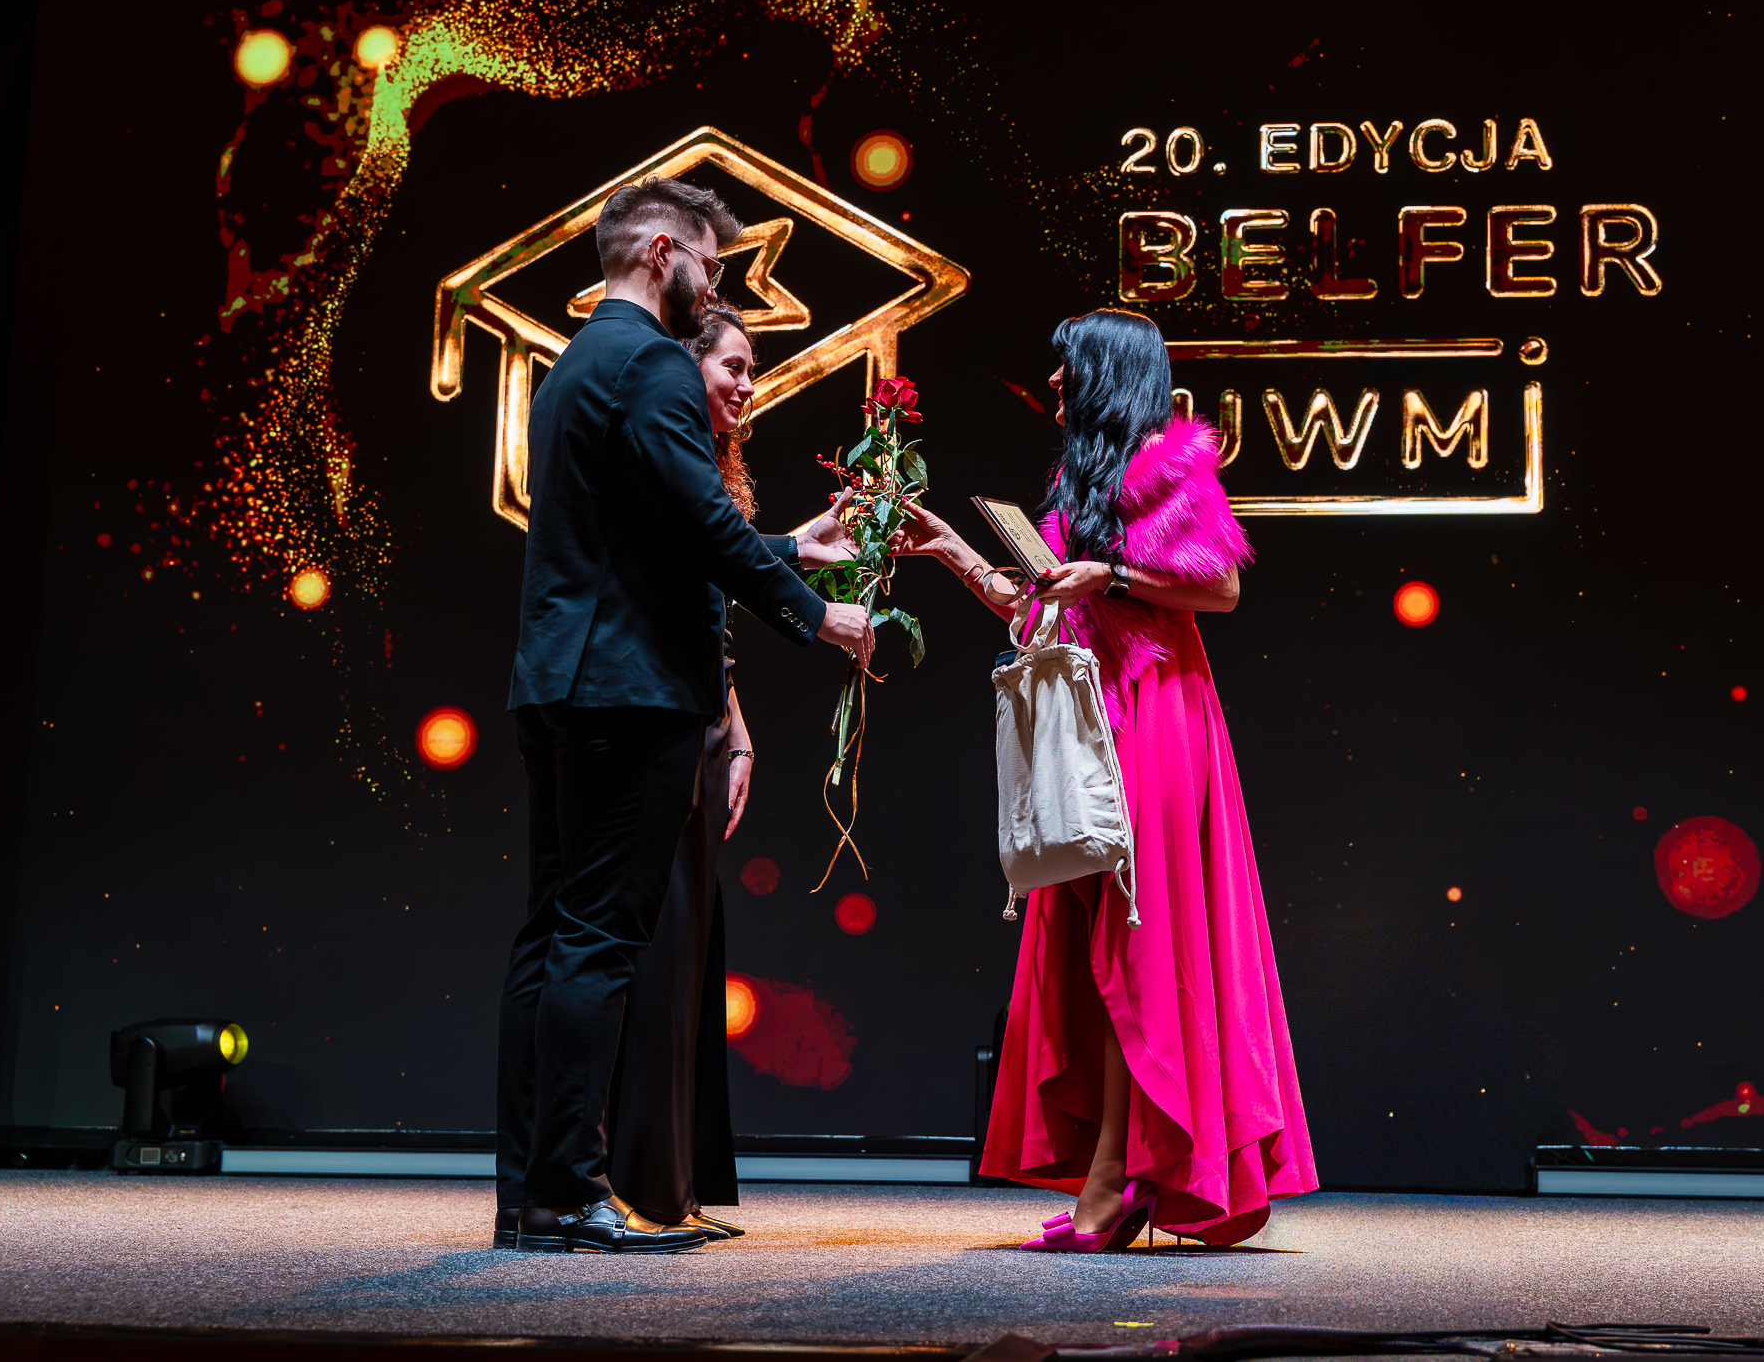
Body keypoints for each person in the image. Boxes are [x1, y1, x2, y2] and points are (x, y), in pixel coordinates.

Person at [496, 177, 875, 1255]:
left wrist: (791, 548)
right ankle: (571, 1193)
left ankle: (531, 1194)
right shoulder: (654, 362)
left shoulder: (574, 366)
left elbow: (651, 530)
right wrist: (814, 614)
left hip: (556, 682)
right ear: (663, 251)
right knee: (597, 938)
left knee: (550, 936)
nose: (714, 285)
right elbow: (702, 520)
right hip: (628, 691)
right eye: (710, 263)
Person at [897, 308, 1317, 1250]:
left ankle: (1113, 1185)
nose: (1052, 381)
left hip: (1157, 717)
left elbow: (1221, 589)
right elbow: (1034, 606)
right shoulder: (1076, 484)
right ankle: (1120, 1174)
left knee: (1138, 943)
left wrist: (1111, 576)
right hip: (1095, 723)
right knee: (1097, 944)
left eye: (1067, 366)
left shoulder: (1171, 469)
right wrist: (952, 548)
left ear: (1106, 374)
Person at [603, 305, 771, 1242]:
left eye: (752, 370)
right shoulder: (663, 457)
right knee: (658, 952)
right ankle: (640, 1183)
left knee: (693, 953)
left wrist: (736, 729)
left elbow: (714, 621)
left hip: (704, 722)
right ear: (687, 367)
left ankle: (675, 1179)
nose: (746, 384)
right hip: (658, 717)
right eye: (732, 366)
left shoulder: (711, 465)